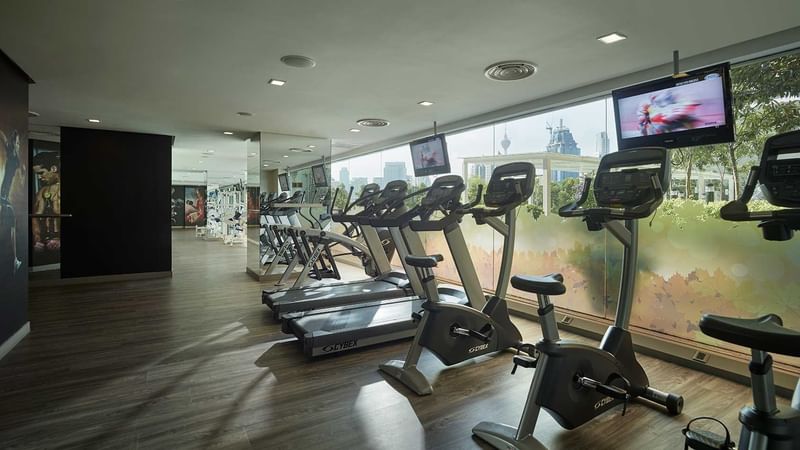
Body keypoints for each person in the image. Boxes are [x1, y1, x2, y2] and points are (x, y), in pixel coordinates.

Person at [0, 129, 22, 279]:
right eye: (17, 142)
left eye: (19, 142)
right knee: (11, 225)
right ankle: (14, 260)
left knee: (11, 225)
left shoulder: (15, 156)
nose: (18, 144)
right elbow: (3, 137)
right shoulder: (12, 153)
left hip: (4, 197)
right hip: (3, 196)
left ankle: (14, 259)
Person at [31, 150, 61, 255]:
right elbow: (35, 216)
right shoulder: (42, 191)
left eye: (41, 173)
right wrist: (37, 238)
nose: (39, 177)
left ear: (53, 169)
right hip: (49, 242)